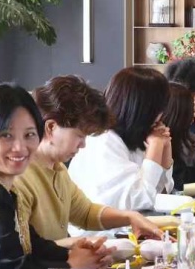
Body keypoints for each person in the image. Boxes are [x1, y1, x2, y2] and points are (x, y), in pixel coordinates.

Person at [0, 85, 111, 269]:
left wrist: (73, 254)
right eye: (6, 135)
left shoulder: (6, 189)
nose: (20, 147)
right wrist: (70, 266)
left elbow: (33, 245)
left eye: (29, 135)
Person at [15, 75, 163, 243]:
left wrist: (130, 217)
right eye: (79, 135)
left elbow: (85, 213)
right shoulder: (21, 178)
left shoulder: (57, 168)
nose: (83, 145)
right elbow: (22, 251)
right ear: (51, 127)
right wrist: (72, 246)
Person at [68, 67, 173, 214]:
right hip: (100, 227)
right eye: (160, 109)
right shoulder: (104, 141)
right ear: (144, 110)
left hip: (128, 223)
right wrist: (156, 145)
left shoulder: (132, 136)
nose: (162, 115)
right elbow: (141, 199)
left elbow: (163, 192)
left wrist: (165, 146)